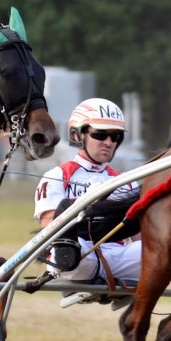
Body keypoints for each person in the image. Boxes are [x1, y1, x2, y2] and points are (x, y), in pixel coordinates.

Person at [34, 98, 141, 308]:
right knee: (72, 247)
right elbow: (49, 227)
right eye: (100, 134)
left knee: (166, 247)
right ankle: (75, 270)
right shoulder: (57, 175)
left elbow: (141, 238)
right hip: (76, 253)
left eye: (115, 136)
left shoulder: (128, 183)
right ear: (77, 134)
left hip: (116, 258)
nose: (109, 142)